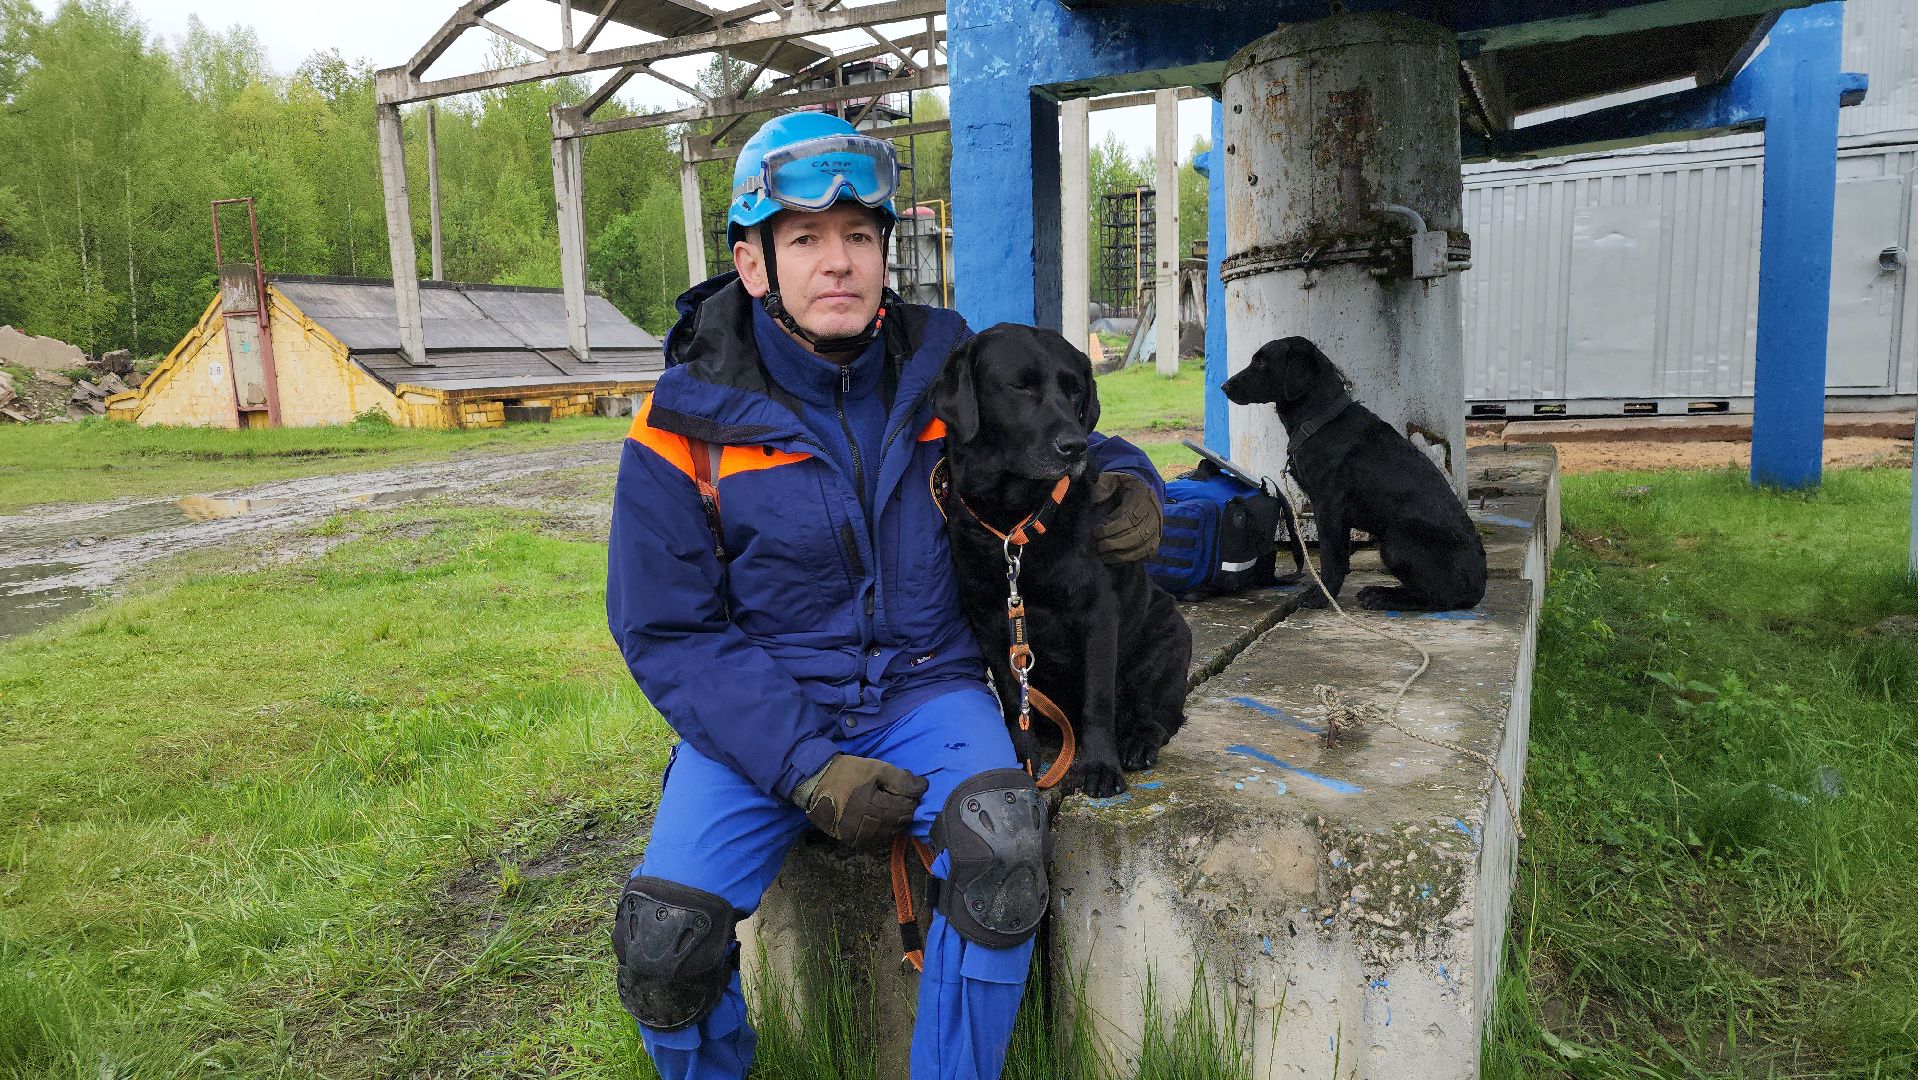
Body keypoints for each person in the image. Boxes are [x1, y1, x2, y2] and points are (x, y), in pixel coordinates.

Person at [605, 111, 1165, 1080]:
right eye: (806, 239)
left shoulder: (938, 367)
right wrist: (807, 765)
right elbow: (667, 630)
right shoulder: (683, 422)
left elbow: (1051, 430)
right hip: (763, 711)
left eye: (859, 236)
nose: (838, 262)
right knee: (664, 944)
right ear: (751, 266)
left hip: (925, 687)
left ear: (883, 255)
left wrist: (1134, 480)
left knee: (999, 857)